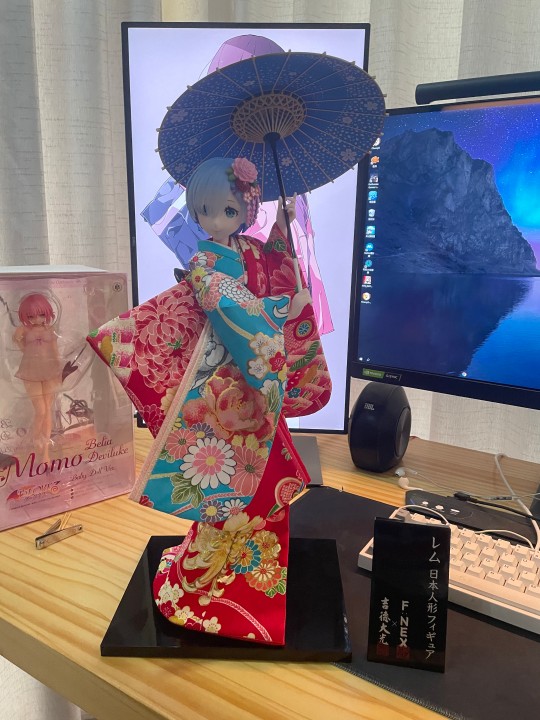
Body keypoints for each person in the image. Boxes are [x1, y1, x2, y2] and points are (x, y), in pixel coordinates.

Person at [87, 157, 331, 645]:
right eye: (206, 211)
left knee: (264, 488)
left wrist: (282, 235)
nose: (216, 220)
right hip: (226, 382)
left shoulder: (250, 249)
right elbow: (233, 311)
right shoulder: (204, 265)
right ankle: (213, 588)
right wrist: (274, 317)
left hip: (250, 380)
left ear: (246, 209)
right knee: (234, 483)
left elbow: (273, 274)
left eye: (228, 210)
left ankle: (256, 581)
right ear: (195, 212)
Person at [13, 293, 62, 462]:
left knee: (47, 409)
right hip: (30, 372)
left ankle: (45, 452)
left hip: (49, 370)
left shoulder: (50, 330)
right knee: (40, 410)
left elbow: (55, 351)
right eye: (31, 316)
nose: (36, 319)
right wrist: (23, 346)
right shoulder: (23, 330)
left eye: (41, 314)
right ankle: (36, 440)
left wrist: (60, 368)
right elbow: (21, 346)